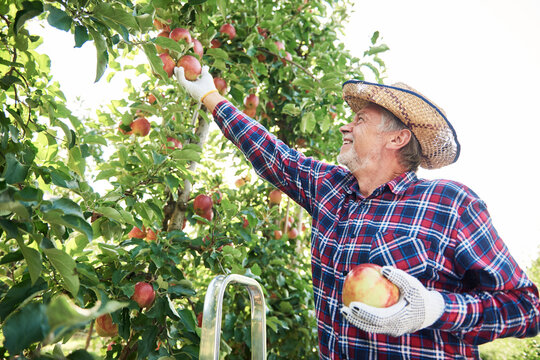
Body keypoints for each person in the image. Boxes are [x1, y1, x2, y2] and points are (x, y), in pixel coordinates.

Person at [174, 65, 540, 359]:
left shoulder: (449, 205)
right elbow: (272, 154)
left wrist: (433, 308)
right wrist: (210, 96)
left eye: (361, 119)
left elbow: (526, 308)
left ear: (397, 138)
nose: (346, 125)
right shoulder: (331, 188)